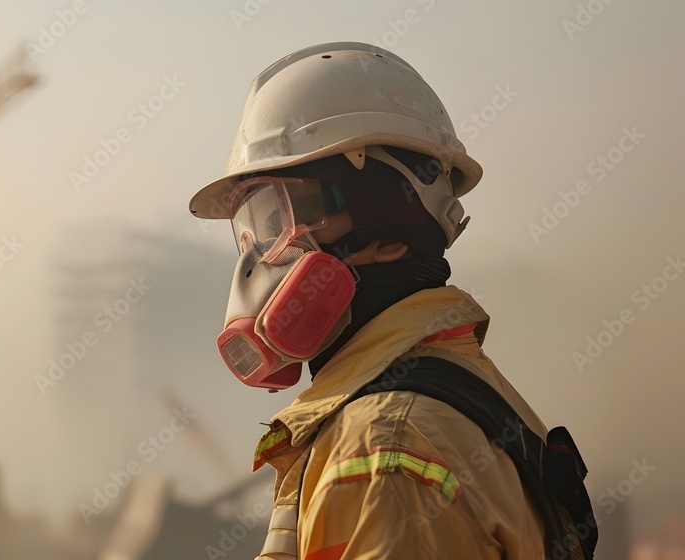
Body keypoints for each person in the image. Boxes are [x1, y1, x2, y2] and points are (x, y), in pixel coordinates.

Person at [188, 43, 594, 559]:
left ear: (391, 235)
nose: (259, 261)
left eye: (281, 219)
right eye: (253, 231)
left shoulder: (385, 448)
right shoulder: (453, 396)